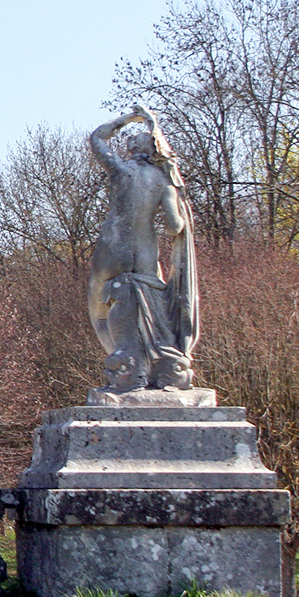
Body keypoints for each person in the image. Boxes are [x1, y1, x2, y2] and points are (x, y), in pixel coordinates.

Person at [87, 104, 198, 392]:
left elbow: (96, 138)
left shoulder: (121, 169)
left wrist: (128, 118)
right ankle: (150, 363)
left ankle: (125, 360)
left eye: (133, 137)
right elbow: (175, 226)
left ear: (138, 148)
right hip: (147, 253)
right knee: (148, 299)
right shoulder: (165, 181)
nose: (129, 140)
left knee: (99, 305)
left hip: (113, 248)